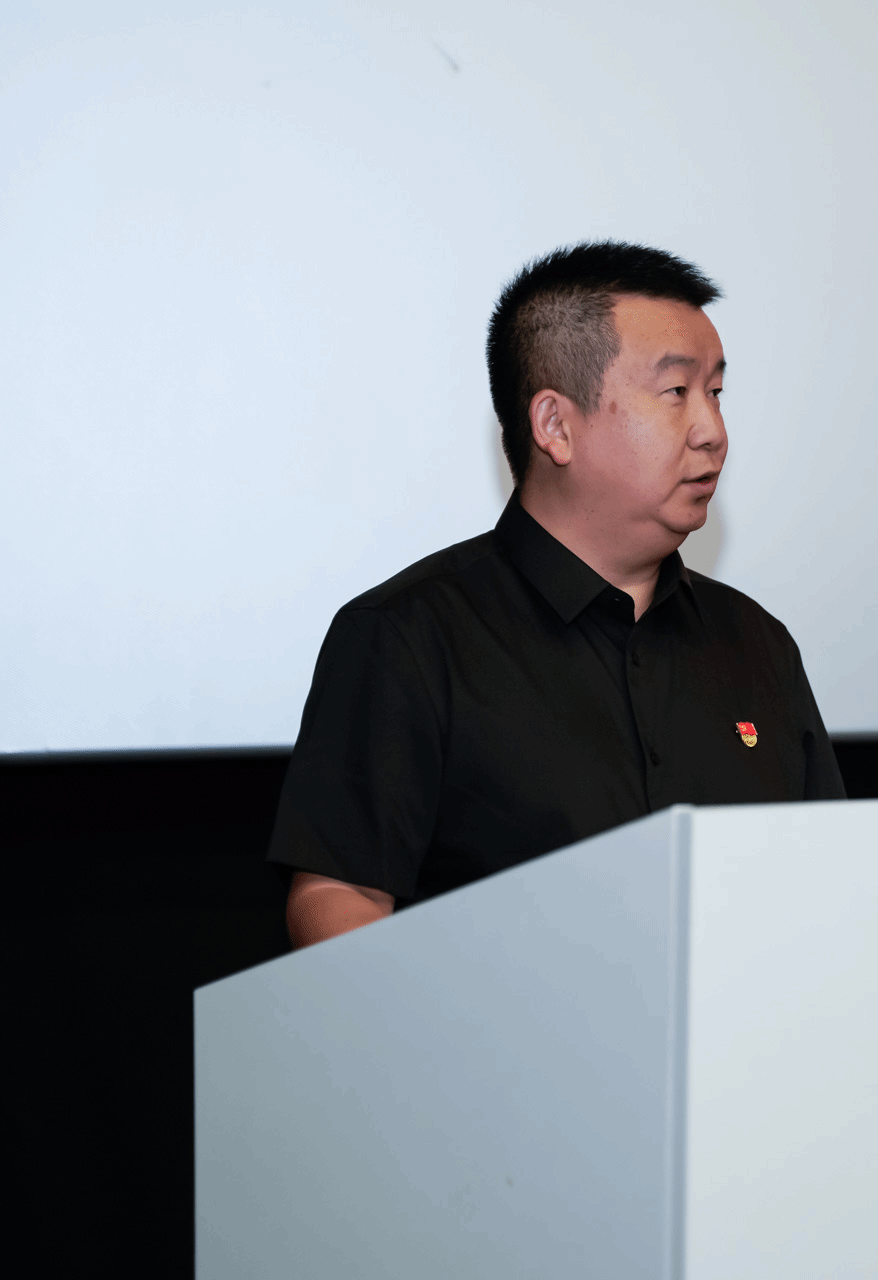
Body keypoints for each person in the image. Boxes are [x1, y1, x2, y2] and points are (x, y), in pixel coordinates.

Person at [267, 242, 846, 946]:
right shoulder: (409, 637)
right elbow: (341, 892)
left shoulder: (756, 644)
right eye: (676, 393)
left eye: (716, 394)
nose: (713, 433)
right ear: (555, 426)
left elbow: (829, 886)